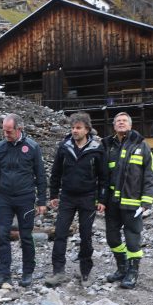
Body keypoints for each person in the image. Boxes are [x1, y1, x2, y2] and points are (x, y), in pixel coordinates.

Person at [45, 112, 107, 287]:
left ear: (87, 129)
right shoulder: (64, 147)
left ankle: (85, 271)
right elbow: (56, 173)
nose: (74, 131)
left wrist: (102, 199)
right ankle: (58, 272)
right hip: (67, 198)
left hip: (88, 198)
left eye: (78, 128)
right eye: (72, 127)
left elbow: (103, 177)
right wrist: (54, 195)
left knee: (86, 236)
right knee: (60, 233)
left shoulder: (97, 148)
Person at [0, 113, 47, 287]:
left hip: (25, 198)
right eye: (4, 131)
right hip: (4, 198)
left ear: (19, 129)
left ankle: (28, 272)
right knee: (2, 235)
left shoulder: (32, 147)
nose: (6, 134)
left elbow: (41, 176)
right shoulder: (0, 148)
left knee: (26, 236)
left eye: (9, 131)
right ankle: (3, 272)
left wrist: (42, 201)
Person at [102, 112, 153, 289]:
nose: (121, 123)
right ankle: (122, 267)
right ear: (114, 126)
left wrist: (146, 201)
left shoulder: (142, 145)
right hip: (112, 203)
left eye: (124, 120)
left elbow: (150, 174)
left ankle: (132, 272)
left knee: (132, 240)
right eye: (118, 121)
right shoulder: (108, 146)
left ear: (130, 125)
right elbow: (102, 176)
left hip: (133, 203)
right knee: (112, 238)